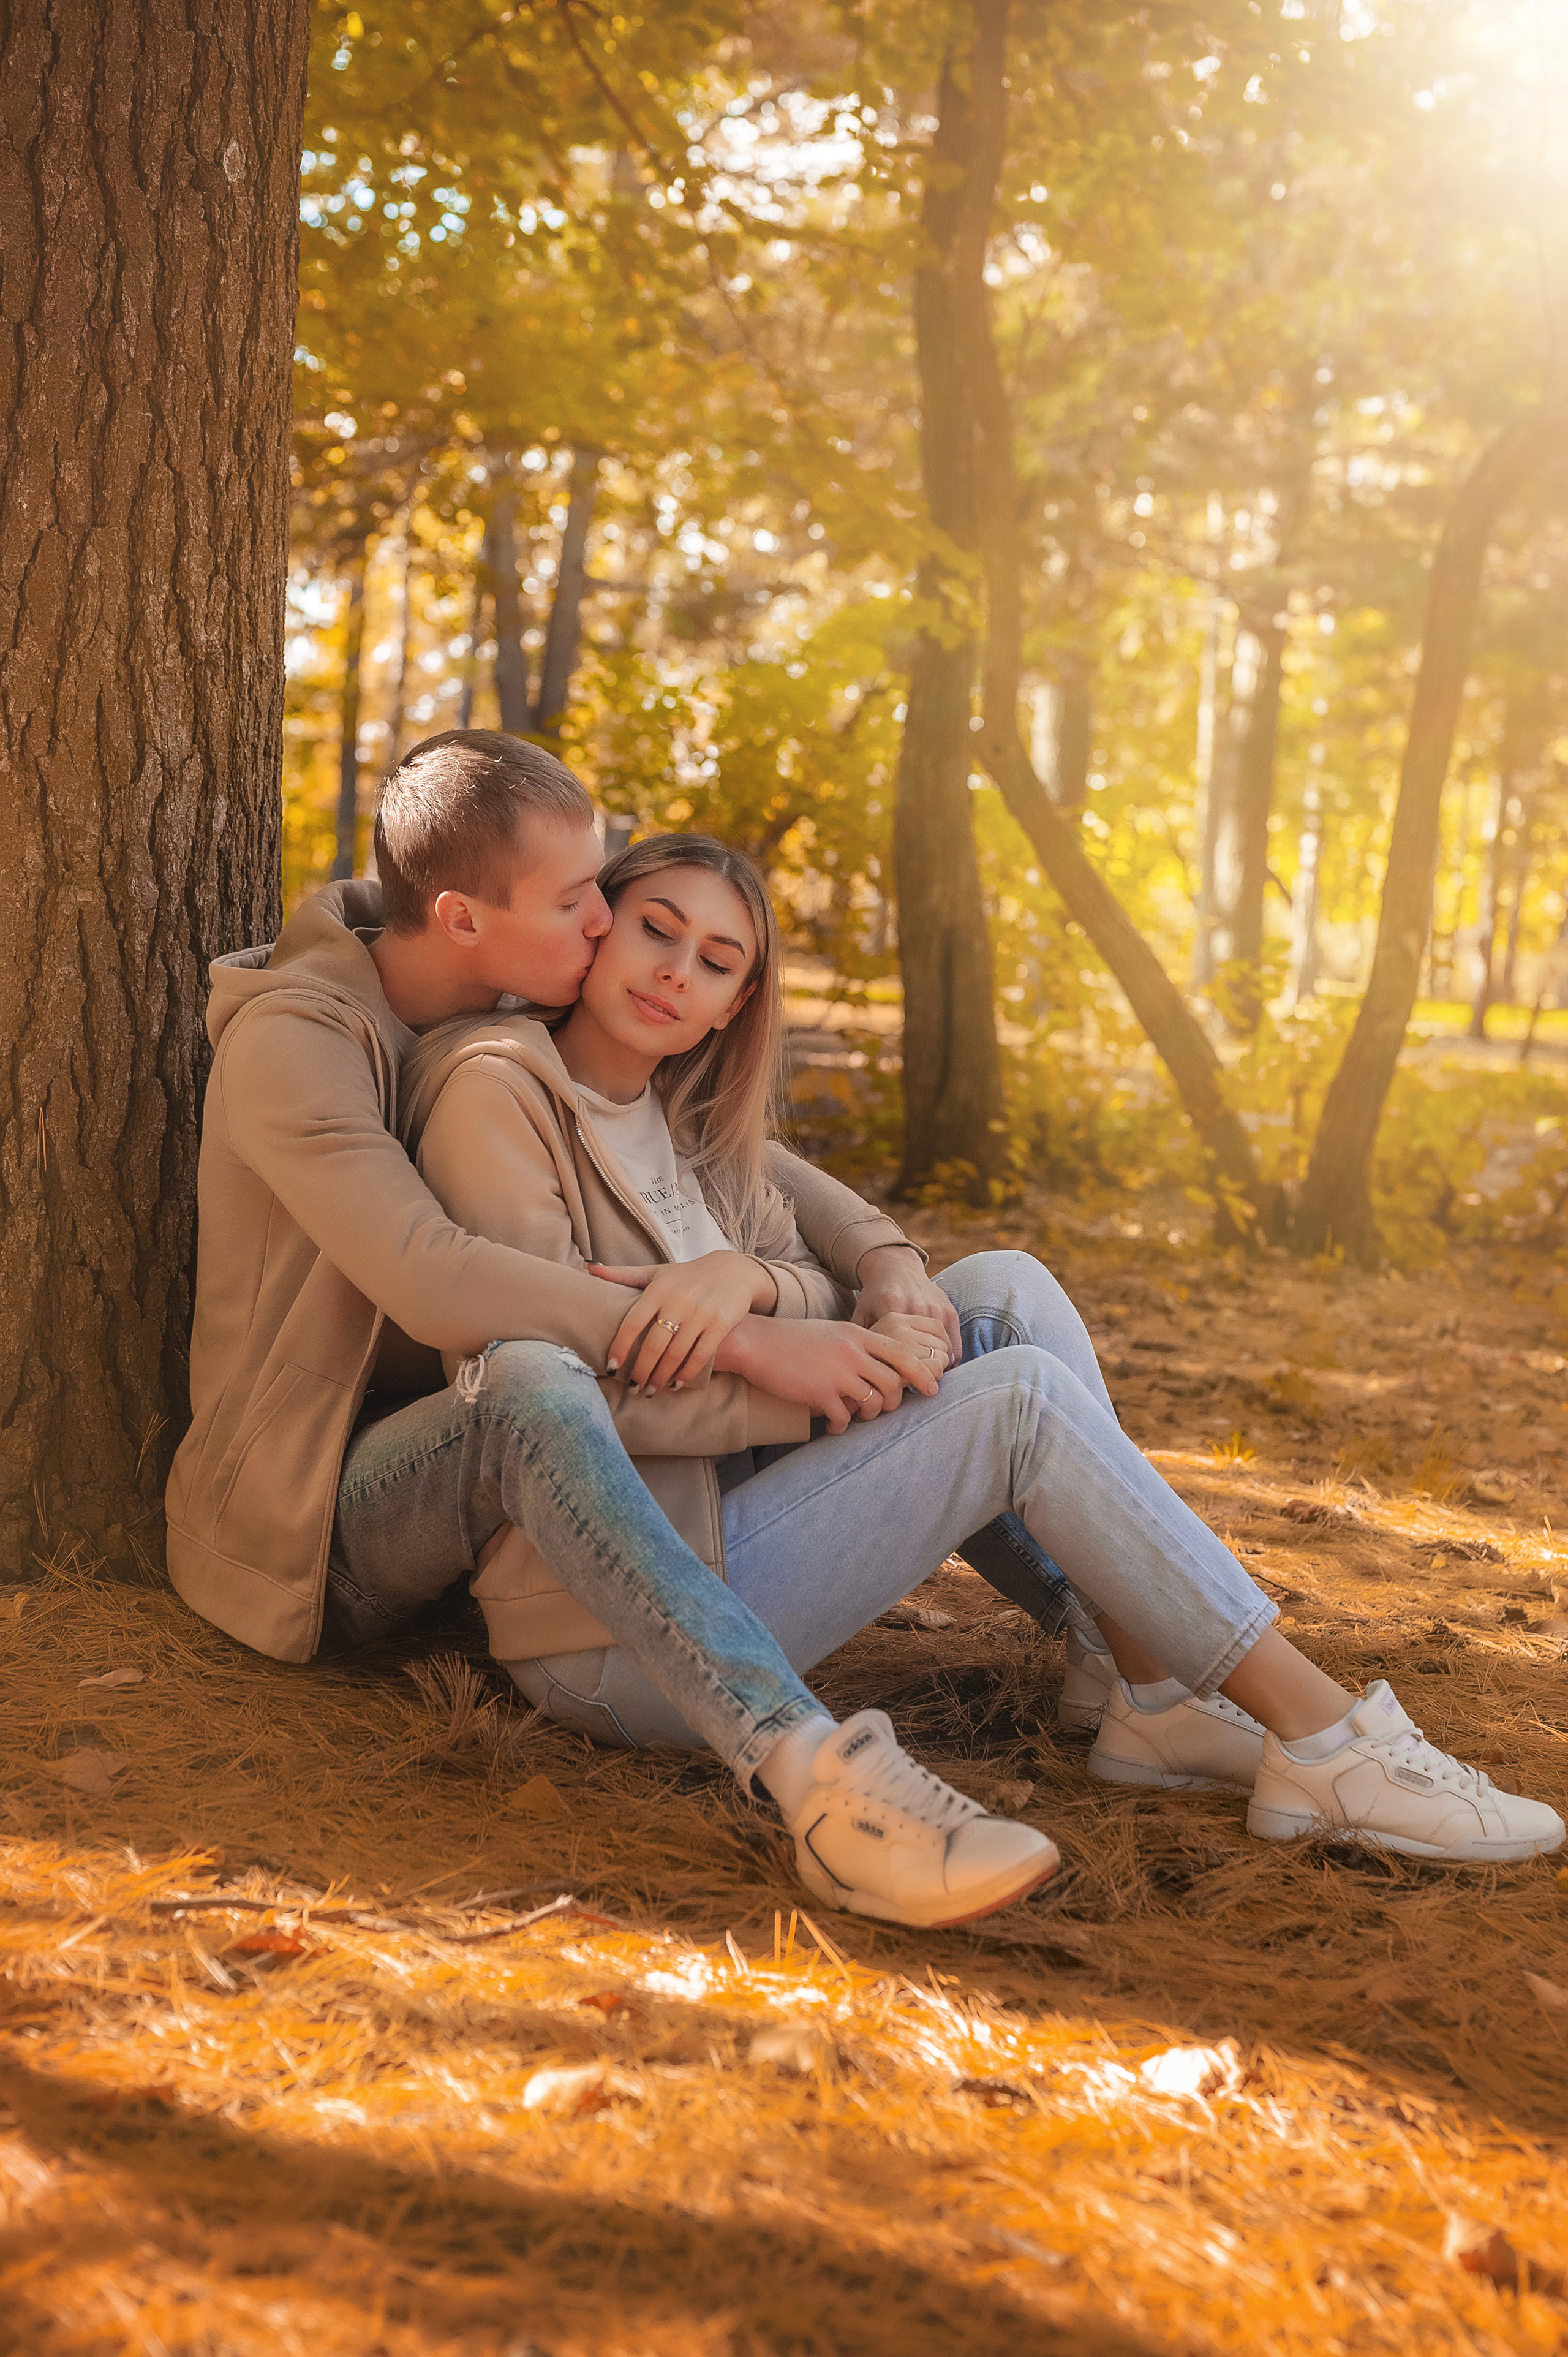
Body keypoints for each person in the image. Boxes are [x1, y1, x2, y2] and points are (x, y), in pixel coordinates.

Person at [401, 829, 1566, 1893]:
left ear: (731, 1006)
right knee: (1012, 1402)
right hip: (613, 1630)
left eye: (714, 960)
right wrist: (803, 1381)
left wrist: (784, 1294)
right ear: (598, 923)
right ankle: (1326, 1743)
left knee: (1001, 1286)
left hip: (731, 1515)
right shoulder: (500, 1093)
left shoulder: (686, 1121)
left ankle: (1148, 1691)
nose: (673, 971)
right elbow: (539, 1399)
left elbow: (826, 1254)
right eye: (655, 928)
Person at [166, 730, 1066, 1934]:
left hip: (495, 1483)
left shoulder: (480, 991)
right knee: (530, 1379)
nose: (608, 922)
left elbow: (756, 1157)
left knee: (990, 1300)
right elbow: (434, 1281)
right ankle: (813, 1780)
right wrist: (748, 1343)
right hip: (313, 1506)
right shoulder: (297, 1044)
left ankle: (1138, 1661)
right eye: (580, 898)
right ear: (463, 917)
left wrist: (876, 1266)